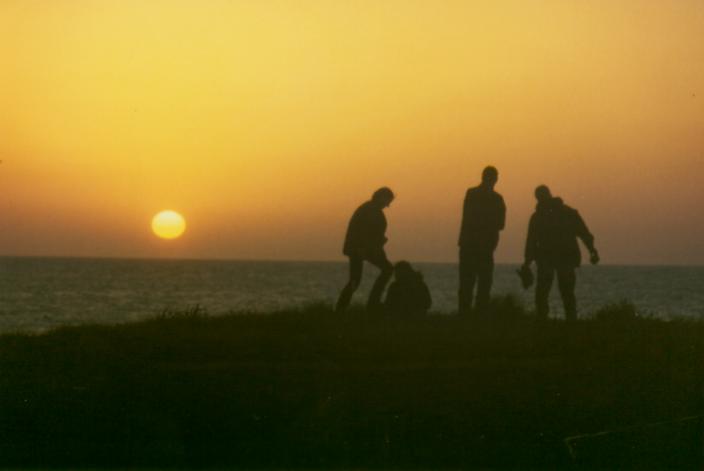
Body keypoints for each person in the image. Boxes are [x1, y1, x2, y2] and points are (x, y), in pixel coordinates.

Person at [522, 185, 599, 321]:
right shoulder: (567, 213)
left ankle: (544, 322)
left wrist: (527, 263)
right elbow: (584, 234)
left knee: (545, 293)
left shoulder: (538, 217)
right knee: (564, 293)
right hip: (562, 259)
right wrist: (592, 251)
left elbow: (531, 243)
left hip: (552, 259)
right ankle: (568, 322)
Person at [335, 187, 395, 312]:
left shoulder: (369, 209)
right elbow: (364, 233)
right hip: (362, 249)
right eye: (388, 201)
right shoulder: (370, 210)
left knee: (355, 280)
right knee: (385, 270)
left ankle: (342, 309)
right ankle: (372, 303)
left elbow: (371, 233)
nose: (388, 205)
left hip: (363, 249)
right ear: (381, 197)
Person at [458, 166, 506, 315]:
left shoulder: (472, 194)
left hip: (471, 245)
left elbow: (468, 217)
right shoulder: (496, 199)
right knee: (482, 283)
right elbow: (501, 224)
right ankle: (478, 315)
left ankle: (466, 315)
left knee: (469, 283)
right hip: (483, 246)